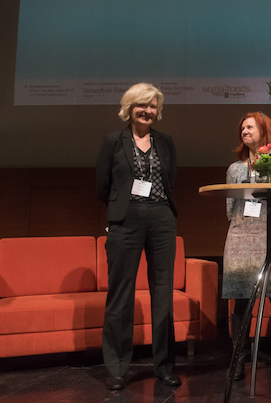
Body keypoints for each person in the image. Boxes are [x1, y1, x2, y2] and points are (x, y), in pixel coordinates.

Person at [95, 83, 180, 390]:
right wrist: (123, 209)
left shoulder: (166, 142)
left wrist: (159, 210)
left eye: (153, 106)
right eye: (142, 105)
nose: (148, 111)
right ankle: (117, 368)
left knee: (163, 294)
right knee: (121, 295)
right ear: (129, 108)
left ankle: (165, 366)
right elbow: (102, 185)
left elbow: (171, 180)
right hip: (125, 219)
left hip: (161, 218)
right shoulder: (112, 142)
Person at [223, 112, 271, 380]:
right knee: (242, 300)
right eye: (242, 127)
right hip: (242, 237)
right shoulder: (235, 169)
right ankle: (239, 359)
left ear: (264, 131)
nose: (244, 131)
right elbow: (230, 206)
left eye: (250, 127)